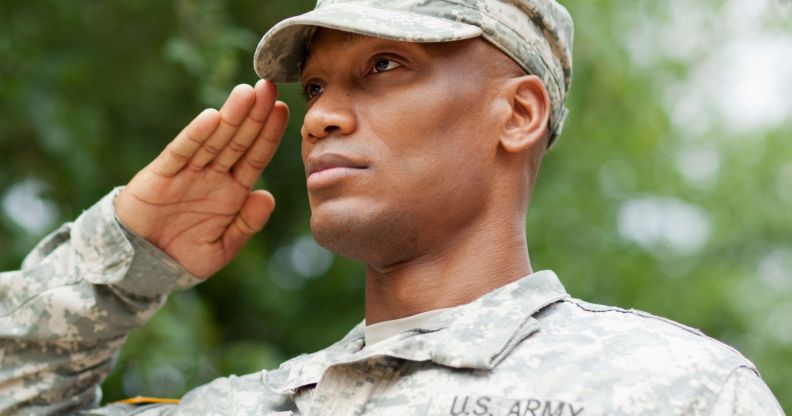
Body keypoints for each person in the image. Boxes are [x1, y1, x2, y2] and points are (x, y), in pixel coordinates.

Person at [0, 0, 784, 414]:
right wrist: (127, 261)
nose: (319, 118)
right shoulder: (246, 407)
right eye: (315, 87)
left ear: (517, 114)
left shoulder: (676, 394)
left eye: (384, 65)